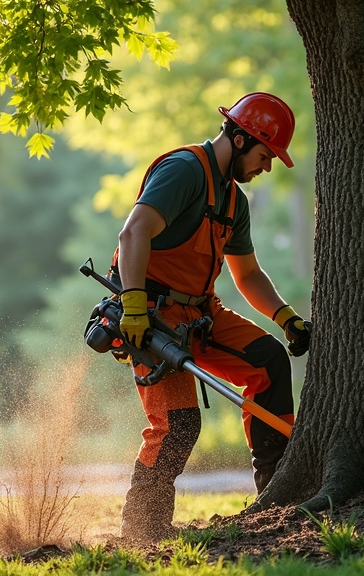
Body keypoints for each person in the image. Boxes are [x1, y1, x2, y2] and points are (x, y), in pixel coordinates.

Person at [108, 91, 312, 542]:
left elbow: (249, 274)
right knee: (178, 425)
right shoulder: (183, 171)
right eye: (266, 154)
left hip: (202, 313)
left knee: (270, 362)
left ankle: (277, 497)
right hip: (152, 316)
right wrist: (135, 306)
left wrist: (286, 317)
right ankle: (143, 529)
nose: (267, 166)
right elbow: (133, 232)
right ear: (240, 140)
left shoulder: (235, 202)